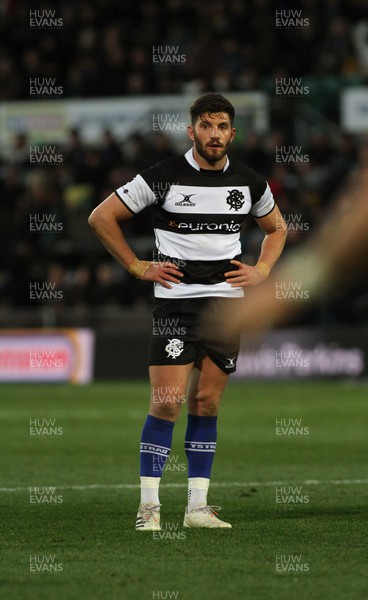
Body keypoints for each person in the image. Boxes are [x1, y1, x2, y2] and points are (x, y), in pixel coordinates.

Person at [88, 93, 287, 530]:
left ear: (232, 134)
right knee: (166, 404)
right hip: (176, 305)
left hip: (225, 308)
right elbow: (101, 217)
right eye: (206, 126)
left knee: (208, 403)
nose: (213, 135)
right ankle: (149, 509)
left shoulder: (250, 182)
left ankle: (197, 508)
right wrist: (138, 266)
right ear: (191, 129)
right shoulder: (162, 176)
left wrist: (263, 270)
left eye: (221, 128)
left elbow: (277, 228)